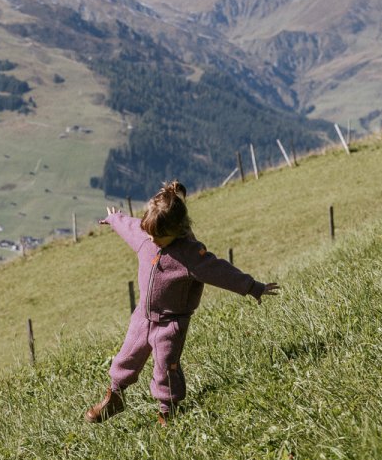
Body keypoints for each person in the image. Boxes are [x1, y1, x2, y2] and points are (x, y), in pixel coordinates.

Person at [85, 180, 280, 425]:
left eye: (159, 237)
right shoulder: (148, 234)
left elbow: (221, 271)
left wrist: (253, 287)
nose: (153, 240)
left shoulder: (190, 255)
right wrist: (115, 219)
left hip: (171, 323)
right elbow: (130, 227)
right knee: (126, 357)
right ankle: (114, 397)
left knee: (166, 367)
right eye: (150, 233)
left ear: (177, 229)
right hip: (142, 317)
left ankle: (167, 410)